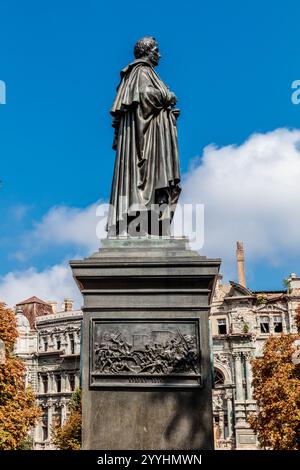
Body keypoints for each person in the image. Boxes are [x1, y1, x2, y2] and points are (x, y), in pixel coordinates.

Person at [107, 36, 181, 237]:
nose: (159, 54)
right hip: (145, 143)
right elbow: (145, 95)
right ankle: (141, 221)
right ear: (147, 51)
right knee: (146, 177)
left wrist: (167, 115)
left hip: (152, 136)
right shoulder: (141, 71)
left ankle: (152, 224)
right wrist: (168, 97)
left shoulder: (143, 72)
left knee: (153, 180)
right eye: (156, 49)